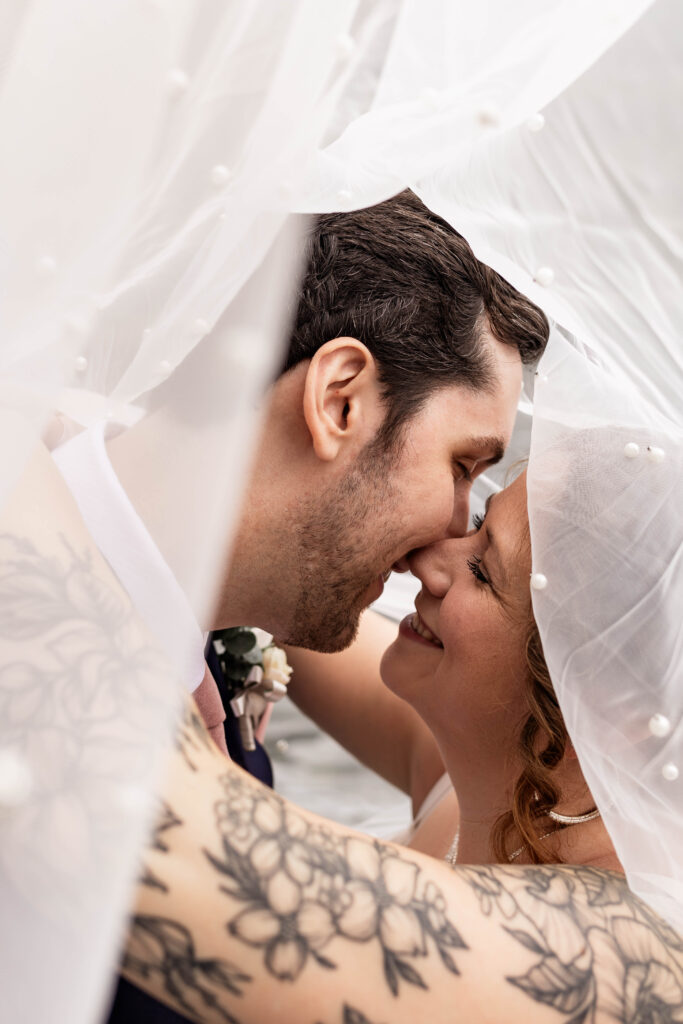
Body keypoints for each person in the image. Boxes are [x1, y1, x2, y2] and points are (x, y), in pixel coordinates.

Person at [115, 467, 683, 1024]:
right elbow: (292, 600)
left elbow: (196, 846)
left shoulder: (617, 948)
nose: (427, 560)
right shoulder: (495, 787)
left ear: (607, 702)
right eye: (477, 522)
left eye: (483, 570)